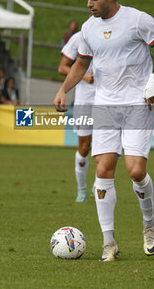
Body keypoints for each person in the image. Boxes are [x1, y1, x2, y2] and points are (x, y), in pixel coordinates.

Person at [54, 0, 154, 262]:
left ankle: (148, 224)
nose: (90, 4)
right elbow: (79, 64)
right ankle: (108, 243)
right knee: (103, 170)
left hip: (137, 105)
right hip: (105, 106)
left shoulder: (137, 20)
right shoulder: (87, 29)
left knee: (136, 172)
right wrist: (63, 89)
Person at [59, 31, 95, 202]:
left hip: (110, 99)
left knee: (109, 148)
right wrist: (84, 75)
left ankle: (99, 185)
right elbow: (63, 67)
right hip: (85, 101)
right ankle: (82, 190)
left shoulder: (116, 35)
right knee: (85, 147)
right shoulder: (80, 37)